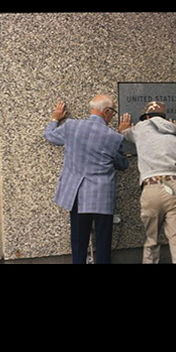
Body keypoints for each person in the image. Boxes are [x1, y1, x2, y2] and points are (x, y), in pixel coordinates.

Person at [43, 96, 129, 264]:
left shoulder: (71, 126)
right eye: (113, 112)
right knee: (103, 244)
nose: (113, 116)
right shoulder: (113, 137)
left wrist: (55, 119)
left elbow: (50, 136)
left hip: (77, 195)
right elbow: (122, 164)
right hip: (102, 198)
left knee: (78, 241)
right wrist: (122, 133)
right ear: (106, 111)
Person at [122, 101, 176, 264]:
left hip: (152, 187)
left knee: (151, 240)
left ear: (147, 116)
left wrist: (123, 129)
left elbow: (124, 134)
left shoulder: (141, 128)